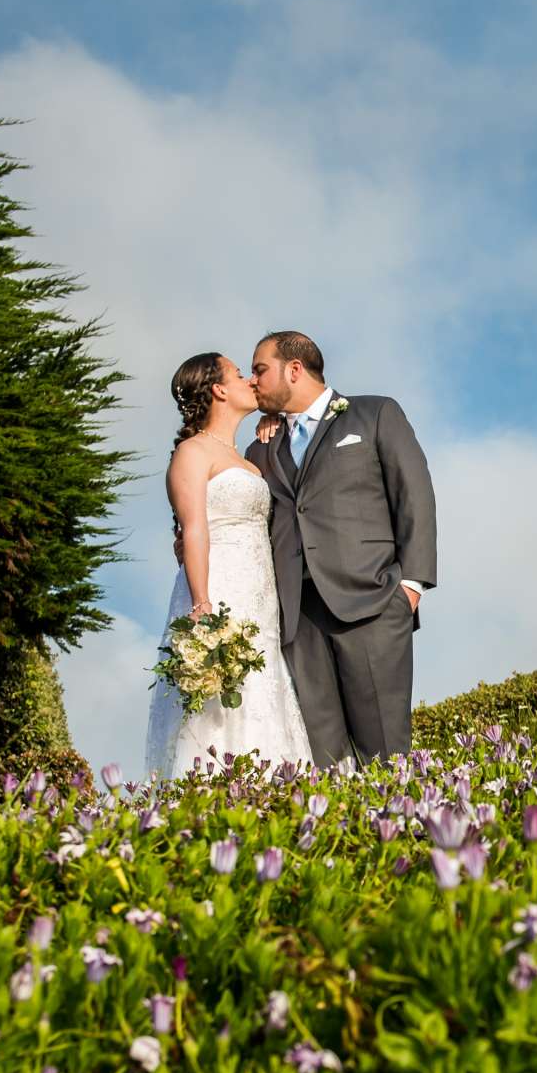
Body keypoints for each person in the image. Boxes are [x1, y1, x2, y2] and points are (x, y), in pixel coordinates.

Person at [243, 330, 438, 767]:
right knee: (322, 760)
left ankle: (401, 832)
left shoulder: (375, 414)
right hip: (297, 618)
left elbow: (414, 495)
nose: (252, 380)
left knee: (386, 755)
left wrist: (410, 585)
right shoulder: (260, 448)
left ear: (294, 368)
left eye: (259, 369)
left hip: (372, 602)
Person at [144, 352, 316, 775]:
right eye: (240, 374)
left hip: (261, 599)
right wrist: (202, 605)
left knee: (262, 690)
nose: (250, 381)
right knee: (218, 704)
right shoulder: (193, 452)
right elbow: (195, 530)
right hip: (220, 593)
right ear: (220, 389)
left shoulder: (247, 456)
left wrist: (271, 423)